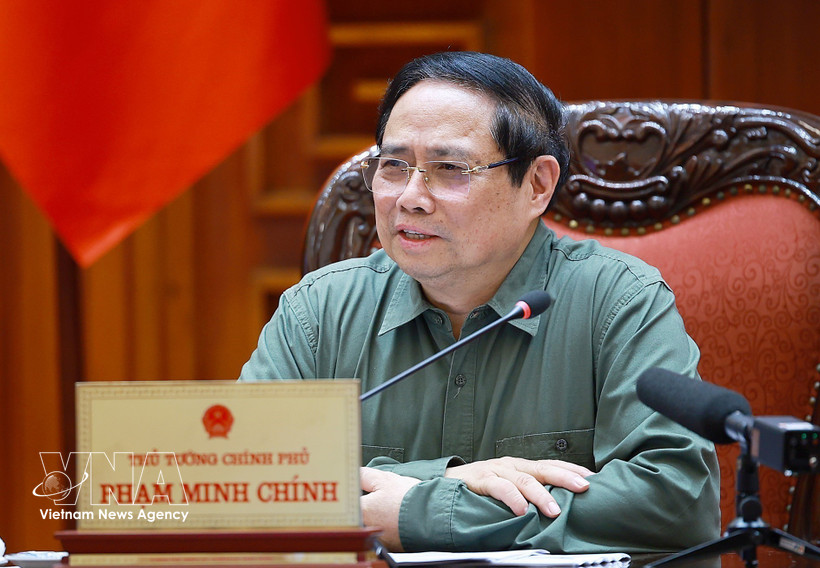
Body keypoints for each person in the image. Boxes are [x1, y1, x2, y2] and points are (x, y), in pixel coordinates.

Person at [239, 51, 720, 553]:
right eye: (394, 166)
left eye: (449, 168)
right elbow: (240, 487)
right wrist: (453, 481)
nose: (411, 197)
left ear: (536, 185)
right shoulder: (318, 312)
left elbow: (676, 503)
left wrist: (420, 510)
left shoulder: (620, 303)